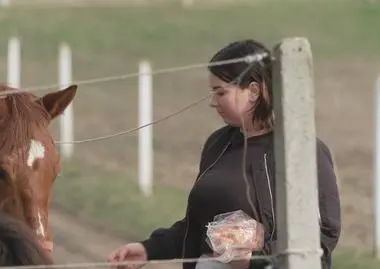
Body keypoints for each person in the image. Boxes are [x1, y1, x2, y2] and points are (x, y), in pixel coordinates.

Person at [107, 39, 341, 269]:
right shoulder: (218, 144)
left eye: (221, 93)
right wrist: (149, 249)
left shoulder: (302, 151)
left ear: (253, 91)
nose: (213, 102)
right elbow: (196, 226)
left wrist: (256, 259)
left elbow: (324, 235)